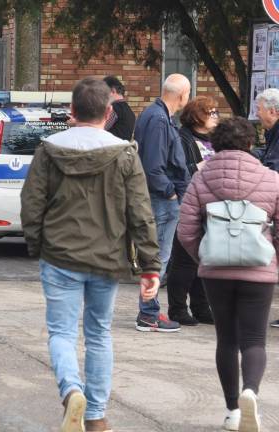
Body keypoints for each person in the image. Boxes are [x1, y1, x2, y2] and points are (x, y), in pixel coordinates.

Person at [21, 77, 161, 432]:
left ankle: (71, 391)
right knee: (99, 333)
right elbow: (140, 212)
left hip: (59, 255)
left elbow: (32, 203)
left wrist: (36, 245)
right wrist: (149, 265)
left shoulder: (49, 149)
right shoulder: (125, 152)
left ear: (72, 110)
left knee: (62, 333)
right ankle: (96, 416)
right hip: (107, 257)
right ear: (109, 112)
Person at [177, 117, 279, 432]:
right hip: (258, 270)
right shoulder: (271, 178)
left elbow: (186, 229)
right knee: (254, 340)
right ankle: (251, 391)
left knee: (226, 339)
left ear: (215, 144)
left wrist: (204, 256)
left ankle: (233, 410)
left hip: (215, 271)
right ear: (250, 144)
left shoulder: (201, 178)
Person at [133, 73, 191, 333]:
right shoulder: (158, 119)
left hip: (159, 195)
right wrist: (170, 192)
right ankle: (148, 314)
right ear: (182, 95)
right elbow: (154, 166)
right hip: (161, 197)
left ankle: (149, 311)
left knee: (155, 257)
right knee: (158, 257)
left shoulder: (154, 115)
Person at [165, 96, 218, 326]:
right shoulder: (182, 138)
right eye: (211, 112)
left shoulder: (215, 139)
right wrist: (198, 166)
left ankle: (200, 306)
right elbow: (176, 169)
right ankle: (177, 308)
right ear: (197, 116)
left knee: (204, 259)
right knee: (185, 260)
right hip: (190, 202)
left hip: (213, 205)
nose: (215, 116)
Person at [253, 88, 279, 329]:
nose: (257, 115)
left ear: (273, 111)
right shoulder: (273, 133)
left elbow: (274, 165)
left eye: (259, 110)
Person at [102, 76, 135, 141]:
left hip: (110, 148)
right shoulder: (128, 110)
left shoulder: (114, 108)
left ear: (113, 91)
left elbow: (100, 129)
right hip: (122, 148)